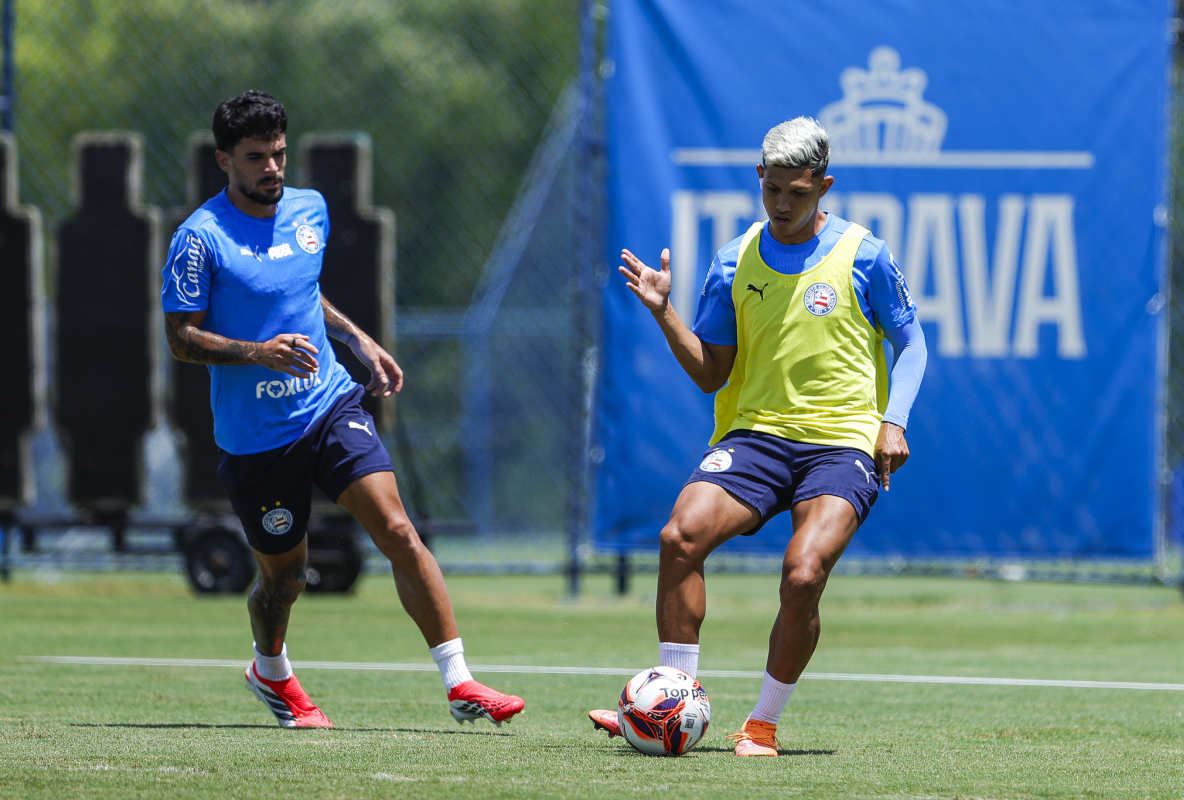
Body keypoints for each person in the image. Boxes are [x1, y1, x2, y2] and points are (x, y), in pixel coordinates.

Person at [161, 90, 524, 729]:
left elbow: (303, 290)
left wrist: (356, 338)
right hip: (257, 438)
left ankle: (460, 681)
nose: (271, 169)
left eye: (277, 154)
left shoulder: (311, 210)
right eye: (254, 158)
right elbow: (180, 337)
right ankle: (269, 669)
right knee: (287, 578)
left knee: (398, 530)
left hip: (328, 403)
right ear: (224, 160)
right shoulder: (199, 239)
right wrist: (258, 351)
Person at [588, 116, 926, 756]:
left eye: (798, 193)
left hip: (842, 444)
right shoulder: (733, 259)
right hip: (756, 439)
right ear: (759, 180)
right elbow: (711, 372)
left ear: (823, 185)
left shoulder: (867, 255)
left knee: (803, 575)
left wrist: (894, 420)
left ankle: (763, 722)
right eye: (772, 190)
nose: (782, 205)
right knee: (678, 538)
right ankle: (672, 701)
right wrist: (665, 314)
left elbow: (912, 345)